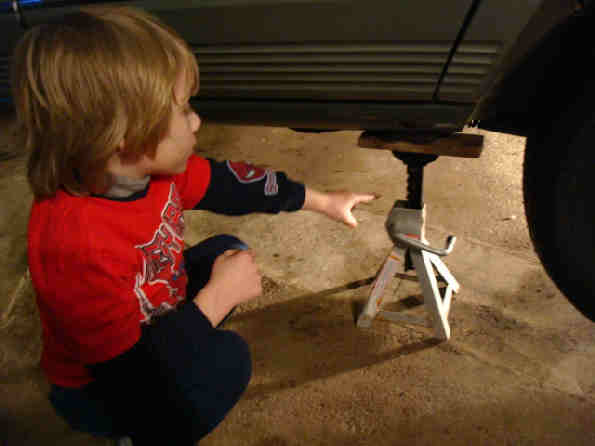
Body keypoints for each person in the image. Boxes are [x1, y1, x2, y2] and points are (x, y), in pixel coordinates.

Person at [11, 5, 378, 445]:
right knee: (230, 360)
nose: (197, 120)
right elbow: (129, 373)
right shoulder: (73, 246)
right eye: (183, 109)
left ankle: (188, 340)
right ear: (121, 135)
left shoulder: (142, 171)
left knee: (228, 249)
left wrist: (321, 201)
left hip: (146, 323)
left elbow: (229, 184)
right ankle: (141, 435)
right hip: (104, 389)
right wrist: (214, 302)